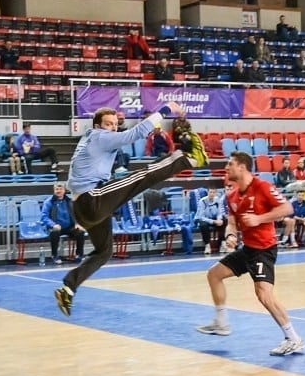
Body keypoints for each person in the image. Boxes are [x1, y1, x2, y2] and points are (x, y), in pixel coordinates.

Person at [53, 101, 206, 316]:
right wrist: (165, 109)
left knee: (104, 252)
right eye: (108, 124)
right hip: (92, 199)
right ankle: (188, 159)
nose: (113, 128)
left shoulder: (91, 138)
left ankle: (69, 286)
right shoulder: (99, 137)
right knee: (141, 176)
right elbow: (136, 133)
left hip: (83, 207)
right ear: (97, 125)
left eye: (115, 124)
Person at [195, 151, 304, 357]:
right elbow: (232, 223)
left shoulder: (262, 187)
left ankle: (293, 339)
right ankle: (222, 322)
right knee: (214, 274)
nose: (226, 168)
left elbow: (287, 208)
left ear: (242, 167)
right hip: (248, 249)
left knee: (264, 294)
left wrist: (260, 219)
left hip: (264, 250)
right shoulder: (232, 196)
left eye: (230, 164)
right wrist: (230, 236)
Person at [41, 182, 86, 265]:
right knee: (54, 232)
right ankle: (54, 255)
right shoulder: (48, 202)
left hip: (69, 227)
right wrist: (53, 224)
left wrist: (77, 223)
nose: (58, 191)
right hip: (56, 227)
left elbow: (77, 214)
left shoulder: (70, 201)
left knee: (80, 232)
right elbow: (44, 217)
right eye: (56, 189)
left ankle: (79, 255)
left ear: (64, 190)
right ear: (54, 190)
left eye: (60, 189)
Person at [195, 187, 227, 255]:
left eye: (213, 192)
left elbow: (219, 212)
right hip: (203, 219)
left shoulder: (218, 200)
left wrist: (219, 219)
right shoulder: (202, 201)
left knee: (224, 220)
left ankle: (222, 243)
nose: (212, 194)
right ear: (208, 193)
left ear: (215, 193)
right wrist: (213, 221)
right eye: (210, 192)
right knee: (203, 225)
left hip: (214, 218)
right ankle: (207, 245)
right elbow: (201, 217)